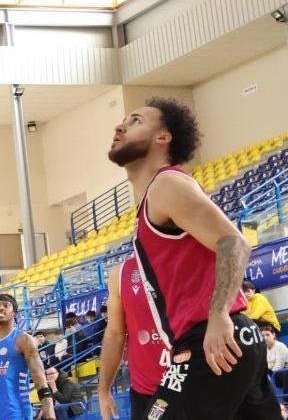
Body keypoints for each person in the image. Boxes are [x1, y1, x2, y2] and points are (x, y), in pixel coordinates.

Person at [109, 97, 278, 419]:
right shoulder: (154, 199)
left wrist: (218, 316)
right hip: (230, 340)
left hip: (211, 340)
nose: (120, 126)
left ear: (163, 137)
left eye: (135, 121)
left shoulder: (167, 184)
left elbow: (234, 243)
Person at [97, 255, 169, 420]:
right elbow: (115, 334)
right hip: (146, 392)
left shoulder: (188, 257)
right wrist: (103, 390)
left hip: (190, 383)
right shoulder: (120, 274)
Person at [0, 293, 54, 420]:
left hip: (18, 414)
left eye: (6, 305)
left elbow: (41, 382)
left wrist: (50, 416)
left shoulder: (23, 339)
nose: (0, 308)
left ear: (14, 313)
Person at [262, 323, 288, 392]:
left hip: (281, 374)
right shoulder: (264, 349)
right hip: (272, 374)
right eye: (262, 336)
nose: (265, 338)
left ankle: (285, 401)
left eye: (267, 335)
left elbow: (278, 368)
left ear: (273, 335)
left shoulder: (280, 346)